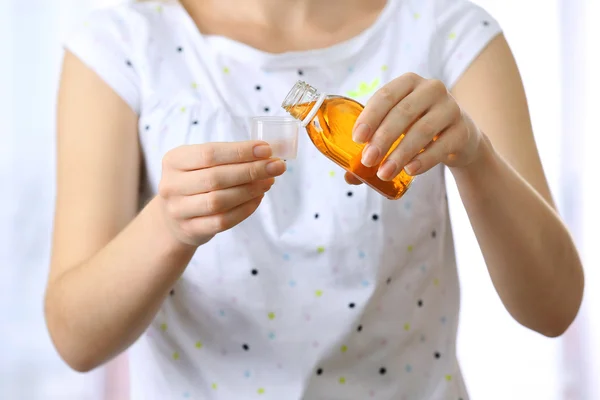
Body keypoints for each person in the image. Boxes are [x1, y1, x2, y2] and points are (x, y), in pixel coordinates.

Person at [44, 0, 584, 398]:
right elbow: (76, 340)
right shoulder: (122, 42)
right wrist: (167, 227)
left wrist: (477, 156)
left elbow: (554, 308)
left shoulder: (446, 30)